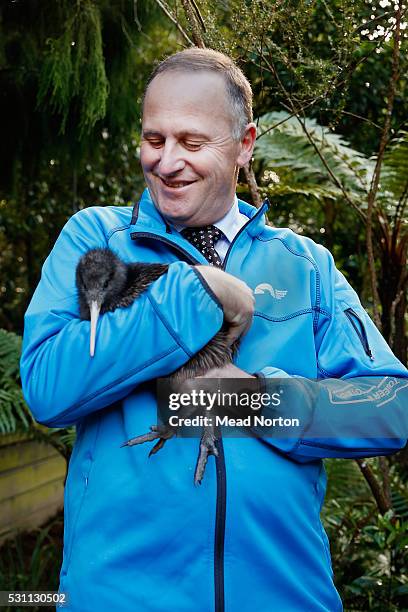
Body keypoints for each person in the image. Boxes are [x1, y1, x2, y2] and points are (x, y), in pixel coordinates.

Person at [20, 48, 407, 612]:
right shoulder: (96, 239)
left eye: (193, 143)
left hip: (284, 596)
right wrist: (191, 297)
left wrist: (252, 403)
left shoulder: (304, 265)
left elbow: (390, 407)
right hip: (121, 598)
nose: (167, 161)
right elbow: (48, 385)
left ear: (245, 145)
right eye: (155, 140)